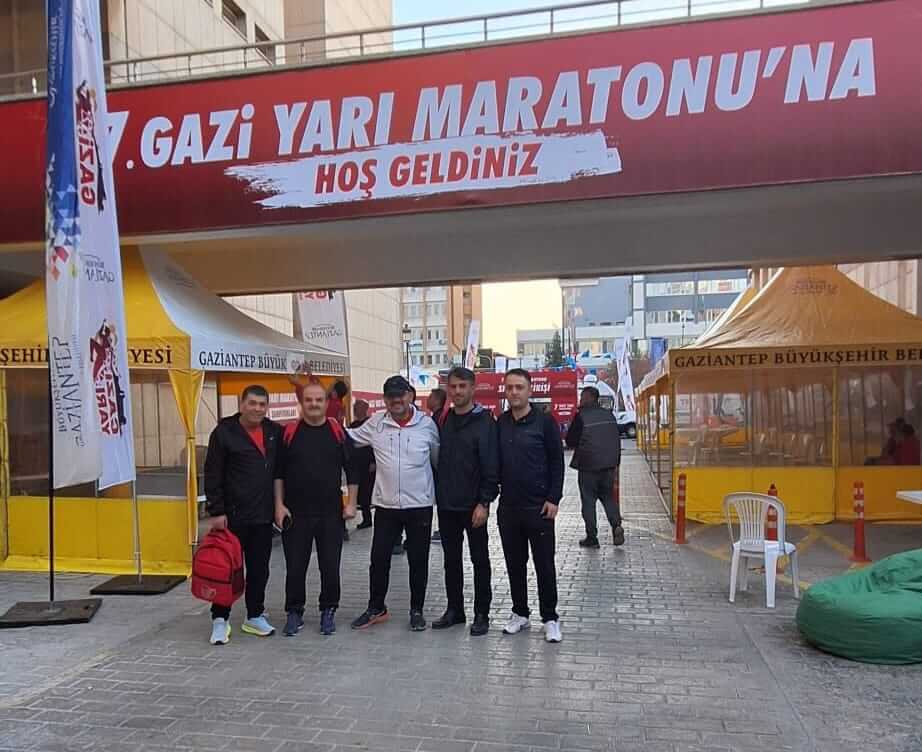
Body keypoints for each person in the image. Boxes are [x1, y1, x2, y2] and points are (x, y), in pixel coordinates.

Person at [348, 375, 440, 632]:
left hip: (419, 505)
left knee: (418, 560)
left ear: (410, 395)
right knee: (379, 559)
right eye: (390, 396)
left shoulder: (427, 425)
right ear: (385, 399)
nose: (396, 400)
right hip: (386, 505)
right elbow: (348, 438)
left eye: (400, 395)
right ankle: (376, 607)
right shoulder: (375, 423)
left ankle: (417, 610)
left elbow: (437, 459)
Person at [274, 381, 359, 637]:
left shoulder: (337, 432)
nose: (313, 404)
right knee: (295, 567)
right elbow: (278, 474)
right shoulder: (289, 433)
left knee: (330, 566)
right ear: (302, 402)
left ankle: (328, 610)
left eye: (318, 400)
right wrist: (278, 505)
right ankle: (294, 611)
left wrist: (352, 503)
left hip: (330, 513)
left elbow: (353, 470)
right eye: (309, 400)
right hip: (295, 514)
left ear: (326, 403)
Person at [203, 385, 282, 645]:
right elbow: (212, 473)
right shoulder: (224, 433)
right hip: (232, 517)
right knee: (225, 569)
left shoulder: (273, 432)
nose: (257, 408)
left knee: (259, 569)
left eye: (262, 404)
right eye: (252, 403)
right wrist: (216, 511)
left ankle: (254, 615)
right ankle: (220, 619)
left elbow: (281, 470)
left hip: (262, 517)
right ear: (242, 405)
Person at [497, 369, 565, 643]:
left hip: (539, 507)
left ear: (529, 390)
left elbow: (557, 462)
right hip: (509, 508)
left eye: (519, 387)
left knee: (544, 564)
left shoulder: (545, 423)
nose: (514, 392)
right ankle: (520, 613)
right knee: (515, 564)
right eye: (510, 388)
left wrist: (554, 498)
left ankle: (550, 618)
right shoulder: (500, 423)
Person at [433, 367, 498, 636]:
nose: (457, 391)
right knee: (451, 561)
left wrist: (484, 502)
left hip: (474, 506)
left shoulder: (485, 422)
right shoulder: (443, 419)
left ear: (473, 388)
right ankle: (455, 610)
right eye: (453, 386)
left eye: (462, 386)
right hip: (447, 504)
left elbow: (491, 466)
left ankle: (482, 613)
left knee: (479, 560)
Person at [566, 386, 625, 548]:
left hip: (588, 466)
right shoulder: (609, 415)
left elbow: (570, 440)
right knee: (608, 497)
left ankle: (592, 538)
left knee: (588, 501)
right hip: (609, 466)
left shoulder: (581, 416)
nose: (580, 399)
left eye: (582, 397)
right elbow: (616, 439)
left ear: (588, 397)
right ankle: (616, 525)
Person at [349, 399, 375, 530]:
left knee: (367, 492)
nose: (354, 409)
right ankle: (365, 517)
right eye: (354, 407)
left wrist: (374, 461)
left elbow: (375, 445)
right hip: (355, 463)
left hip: (368, 464)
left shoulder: (371, 424)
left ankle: (369, 518)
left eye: (357, 407)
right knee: (359, 492)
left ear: (364, 409)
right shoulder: (353, 425)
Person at [427, 387, 449, 543]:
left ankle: (443, 529)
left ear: (436, 400)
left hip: (438, 466)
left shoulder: (438, 419)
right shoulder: (439, 417)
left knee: (441, 498)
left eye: (430, 397)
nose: (427, 400)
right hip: (439, 466)